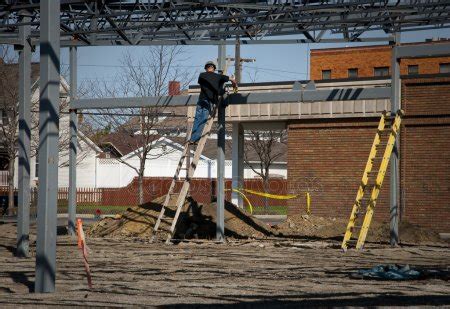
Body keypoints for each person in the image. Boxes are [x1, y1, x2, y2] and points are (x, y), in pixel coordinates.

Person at [189, 61, 236, 144]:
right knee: (203, 120)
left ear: (206, 68)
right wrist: (233, 83)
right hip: (209, 101)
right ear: (214, 68)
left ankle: (192, 139)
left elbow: (211, 85)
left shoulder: (202, 75)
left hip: (201, 100)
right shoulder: (218, 76)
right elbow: (231, 80)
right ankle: (196, 139)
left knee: (197, 119)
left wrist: (221, 88)